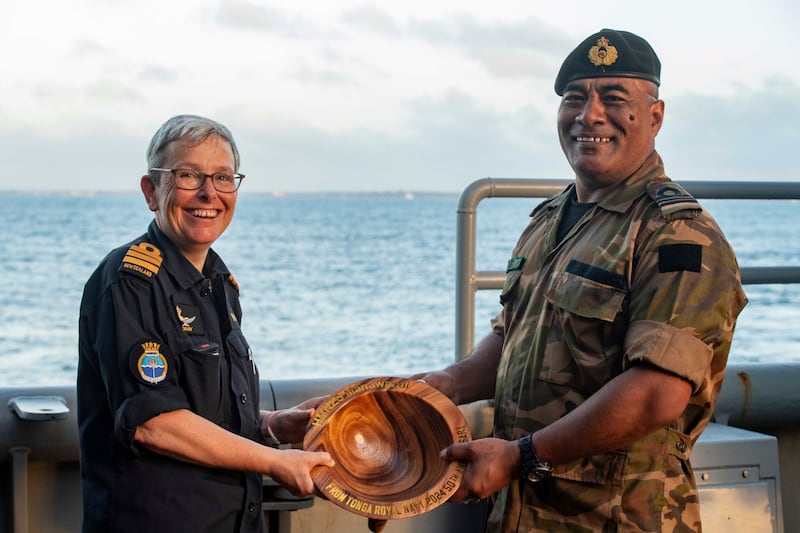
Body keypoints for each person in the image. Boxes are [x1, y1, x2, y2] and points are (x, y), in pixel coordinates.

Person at [419, 30, 748, 532]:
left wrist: (519, 456)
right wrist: (448, 384)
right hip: (522, 514)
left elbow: (658, 391)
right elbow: (516, 335)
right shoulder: (549, 218)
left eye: (614, 98)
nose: (589, 115)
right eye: (575, 98)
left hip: (618, 517)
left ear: (655, 117)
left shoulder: (677, 234)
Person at [77, 114, 334, 533]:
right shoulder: (130, 282)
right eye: (188, 175)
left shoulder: (218, 283)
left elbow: (203, 407)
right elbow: (153, 422)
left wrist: (270, 426)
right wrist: (276, 462)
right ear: (151, 191)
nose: (209, 193)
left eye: (223, 177)